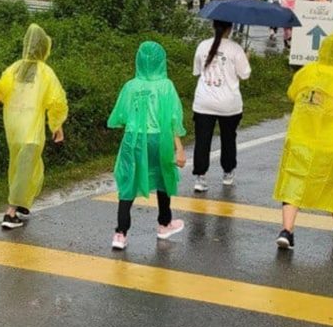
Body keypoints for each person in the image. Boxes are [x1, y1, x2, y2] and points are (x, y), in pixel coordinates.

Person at [274, 32, 333, 250]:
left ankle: (287, 231)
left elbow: (291, 93)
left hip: (300, 139)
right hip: (332, 145)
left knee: (293, 184)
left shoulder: (307, 71)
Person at [0, 24, 68, 229]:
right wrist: (57, 126)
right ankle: (10, 213)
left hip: (14, 129)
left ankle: (22, 203)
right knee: (26, 169)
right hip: (31, 130)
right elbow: (56, 102)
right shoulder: (45, 72)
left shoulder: (14, 68)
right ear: (44, 47)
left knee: (20, 167)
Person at [107, 42, 186, 251]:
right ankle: (164, 223)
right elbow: (173, 119)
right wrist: (179, 147)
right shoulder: (166, 86)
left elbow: (120, 116)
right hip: (159, 139)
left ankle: (120, 233)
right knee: (163, 177)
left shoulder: (131, 86)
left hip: (133, 139)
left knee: (128, 183)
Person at [191, 21, 251, 193]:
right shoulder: (235, 49)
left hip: (204, 102)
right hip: (229, 104)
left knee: (202, 140)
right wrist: (246, 59)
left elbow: (197, 71)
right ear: (230, 29)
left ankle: (200, 178)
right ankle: (228, 172)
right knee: (228, 138)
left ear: (213, 26)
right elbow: (245, 74)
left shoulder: (202, 46)